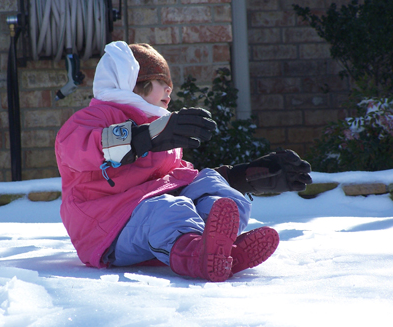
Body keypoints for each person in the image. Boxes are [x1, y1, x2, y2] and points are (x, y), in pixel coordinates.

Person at [55, 41, 312, 282]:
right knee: (168, 209)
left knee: (213, 190)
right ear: (133, 83)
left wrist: (243, 176)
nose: (170, 90)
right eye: (160, 81)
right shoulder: (93, 118)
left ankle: (220, 249)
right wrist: (144, 138)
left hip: (147, 215)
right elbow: (78, 149)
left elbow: (178, 177)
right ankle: (198, 256)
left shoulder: (158, 126)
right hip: (107, 225)